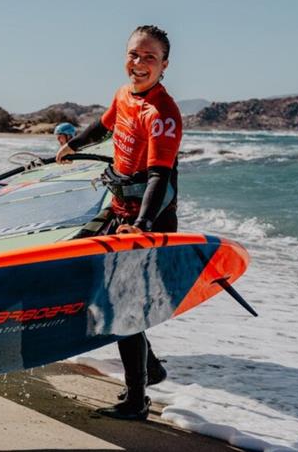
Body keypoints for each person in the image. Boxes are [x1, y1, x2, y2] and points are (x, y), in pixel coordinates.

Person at [56, 25, 181, 421]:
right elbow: (106, 125)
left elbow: (160, 177)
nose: (138, 63)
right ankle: (152, 367)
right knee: (74, 261)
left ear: (164, 65)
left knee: (122, 305)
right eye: (133, 54)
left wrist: (142, 225)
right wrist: (73, 145)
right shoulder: (123, 95)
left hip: (151, 216)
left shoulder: (162, 114)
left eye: (149, 57)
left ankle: (137, 399)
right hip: (120, 208)